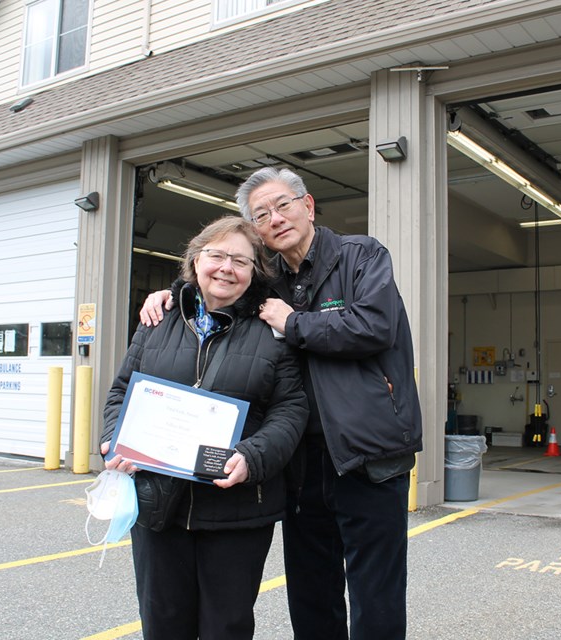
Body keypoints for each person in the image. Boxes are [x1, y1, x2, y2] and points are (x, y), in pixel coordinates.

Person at [140, 167, 424, 640]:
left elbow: (376, 326)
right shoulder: (267, 281)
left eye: (283, 205)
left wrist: (294, 324)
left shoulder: (361, 256)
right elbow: (216, 285)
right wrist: (168, 297)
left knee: (377, 595)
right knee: (312, 592)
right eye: (261, 215)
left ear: (307, 206)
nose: (275, 218)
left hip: (369, 457)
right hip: (301, 463)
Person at [101, 215, 308, 640]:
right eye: (216, 255)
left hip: (237, 510)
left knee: (226, 627)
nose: (226, 268)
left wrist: (253, 457)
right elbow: (122, 391)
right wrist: (112, 440)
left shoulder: (272, 331)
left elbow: (290, 409)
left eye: (241, 261)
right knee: (163, 623)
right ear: (196, 260)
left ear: (255, 273)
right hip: (159, 505)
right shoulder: (157, 320)